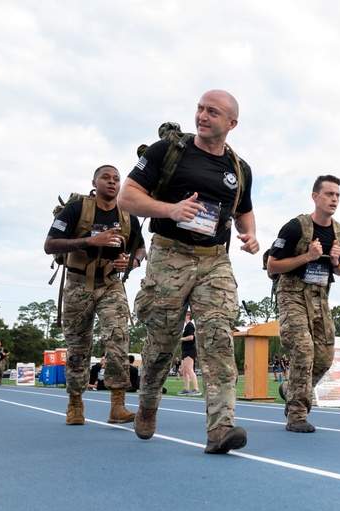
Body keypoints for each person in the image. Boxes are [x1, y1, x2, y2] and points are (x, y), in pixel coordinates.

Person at [120, 89, 258, 454]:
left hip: (215, 260)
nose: (202, 115)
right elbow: (127, 196)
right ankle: (147, 404)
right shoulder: (166, 152)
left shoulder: (239, 169)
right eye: (200, 108)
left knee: (217, 338)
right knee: (162, 344)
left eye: (212, 111)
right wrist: (170, 210)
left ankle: (220, 428)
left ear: (231, 123)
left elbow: (243, 208)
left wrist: (250, 234)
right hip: (170, 256)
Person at [45, 164, 145, 425]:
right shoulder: (76, 209)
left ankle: (117, 405)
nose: (112, 182)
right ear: (94, 182)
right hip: (78, 284)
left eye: (116, 179)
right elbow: (50, 245)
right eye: (106, 178)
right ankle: (75, 404)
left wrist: (132, 263)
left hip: (111, 284)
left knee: (118, 340)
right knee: (78, 347)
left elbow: (141, 249)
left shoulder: (127, 215)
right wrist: (91, 241)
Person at [267, 174, 340, 432]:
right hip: (291, 294)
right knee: (303, 349)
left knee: (325, 357)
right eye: (329, 194)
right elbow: (272, 266)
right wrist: (307, 256)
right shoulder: (295, 227)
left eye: (337, 195)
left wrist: (336, 262)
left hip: (319, 297)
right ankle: (297, 415)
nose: (334, 199)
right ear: (315, 197)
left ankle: (289, 389)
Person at [179, 310, 200, 396]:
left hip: (189, 350)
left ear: (188, 316)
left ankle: (196, 389)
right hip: (185, 350)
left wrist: (181, 339)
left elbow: (191, 337)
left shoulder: (190, 326)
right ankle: (186, 388)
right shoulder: (187, 326)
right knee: (184, 370)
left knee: (189, 369)